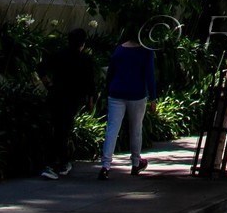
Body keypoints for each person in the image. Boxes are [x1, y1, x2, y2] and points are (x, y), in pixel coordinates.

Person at [39, 28, 96, 180]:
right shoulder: (85, 59)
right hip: (72, 99)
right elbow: (90, 82)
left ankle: (58, 162)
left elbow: (41, 67)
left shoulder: (59, 55)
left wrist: (48, 84)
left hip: (56, 95)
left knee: (57, 128)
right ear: (82, 43)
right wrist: (90, 100)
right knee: (62, 130)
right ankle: (57, 163)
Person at [99, 34, 158, 177]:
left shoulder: (119, 50)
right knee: (136, 128)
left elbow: (111, 73)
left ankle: (106, 166)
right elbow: (149, 75)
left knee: (112, 128)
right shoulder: (146, 51)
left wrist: (108, 90)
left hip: (116, 92)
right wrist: (153, 97)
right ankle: (135, 162)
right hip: (137, 94)